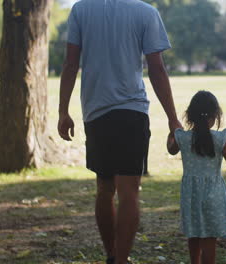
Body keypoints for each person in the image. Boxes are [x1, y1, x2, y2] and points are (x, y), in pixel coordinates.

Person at [57, 1, 182, 263]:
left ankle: (112, 255)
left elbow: (70, 64)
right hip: (132, 112)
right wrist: (173, 119)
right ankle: (121, 260)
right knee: (129, 191)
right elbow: (157, 69)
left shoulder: (81, 9)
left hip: (95, 112)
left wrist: (63, 111)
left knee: (104, 189)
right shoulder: (145, 12)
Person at [167, 91, 226, 264]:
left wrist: (172, 132)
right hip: (213, 195)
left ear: (189, 115)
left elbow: (171, 149)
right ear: (215, 116)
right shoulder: (220, 139)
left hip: (191, 196)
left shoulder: (182, 138)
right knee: (209, 237)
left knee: (194, 232)